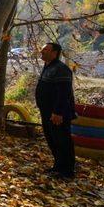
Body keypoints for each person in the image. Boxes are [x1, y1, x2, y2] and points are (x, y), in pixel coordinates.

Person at [35, 42, 76, 179]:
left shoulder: (61, 69)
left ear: (55, 53)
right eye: (42, 49)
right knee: (53, 140)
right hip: (47, 113)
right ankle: (58, 167)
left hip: (58, 114)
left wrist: (58, 113)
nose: (42, 51)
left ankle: (67, 171)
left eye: (46, 49)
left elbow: (64, 93)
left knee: (62, 141)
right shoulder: (48, 67)